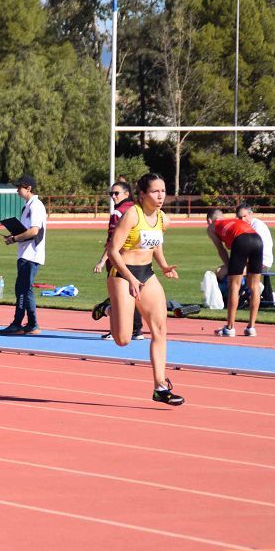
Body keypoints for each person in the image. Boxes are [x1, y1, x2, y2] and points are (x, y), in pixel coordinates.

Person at [106, 172, 183, 406]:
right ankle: (110, 309)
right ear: (142, 194)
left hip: (146, 274)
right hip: (122, 274)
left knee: (160, 329)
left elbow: (155, 243)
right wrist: (129, 279)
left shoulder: (160, 217)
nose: (160, 196)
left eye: (163, 191)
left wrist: (164, 265)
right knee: (123, 339)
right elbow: (112, 251)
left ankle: (160, 387)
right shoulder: (132, 215)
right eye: (155, 191)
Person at [93, 181, 144, 341]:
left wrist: (102, 261)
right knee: (134, 295)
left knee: (117, 297)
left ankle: (116, 330)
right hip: (138, 261)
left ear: (127, 194)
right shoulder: (138, 211)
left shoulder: (118, 213)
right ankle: (136, 330)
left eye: (116, 193)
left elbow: (112, 242)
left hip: (119, 262)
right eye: (111, 194)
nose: (113, 197)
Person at [0, 175, 46, 335]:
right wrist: (14, 235)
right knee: (26, 290)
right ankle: (32, 324)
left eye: (20, 187)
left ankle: (18, 324)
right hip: (25, 253)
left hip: (31, 255)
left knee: (22, 289)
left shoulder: (36, 206)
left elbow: (34, 230)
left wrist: (14, 238)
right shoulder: (27, 207)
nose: (17, 190)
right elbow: (25, 230)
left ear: (29, 188)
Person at [206, 208, 264, 337]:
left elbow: (221, 249)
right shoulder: (233, 221)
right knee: (255, 286)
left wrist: (229, 267)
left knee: (234, 285)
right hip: (258, 240)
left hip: (241, 241)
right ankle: (251, 328)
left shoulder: (212, 227)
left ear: (210, 220)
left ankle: (230, 328)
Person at [236, 203, 275, 306]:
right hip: (249, 260)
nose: (243, 219)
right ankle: (241, 295)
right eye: (240, 217)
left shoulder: (258, 227)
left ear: (251, 214)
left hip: (262, 261)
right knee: (222, 271)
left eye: (245, 216)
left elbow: (255, 250)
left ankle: (250, 293)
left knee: (233, 272)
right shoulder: (241, 226)